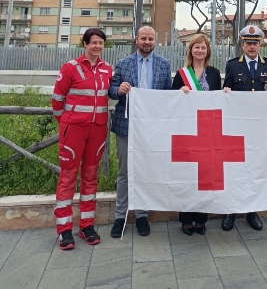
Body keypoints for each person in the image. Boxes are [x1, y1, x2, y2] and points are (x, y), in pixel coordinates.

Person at [51, 28, 113, 250]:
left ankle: (87, 225)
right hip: (74, 131)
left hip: (97, 131)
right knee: (68, 178)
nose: (97, 46)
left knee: (90, 177)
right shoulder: (71, 67)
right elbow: (57, 100)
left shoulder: (107, 70)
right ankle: (64, 229)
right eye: (94, 42)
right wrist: (68, 122)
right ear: (85, 44)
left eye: (101, 43)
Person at [108, 26, 171, 238]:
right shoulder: (124, 63)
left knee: (145, 171)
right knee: (125, 172)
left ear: (155, 41)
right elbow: (112, 91)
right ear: (136, 40)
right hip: (126, 126)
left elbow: (168, 96)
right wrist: (119, 90)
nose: (147, 42)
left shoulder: (164, 64)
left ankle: (142, 215)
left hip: (151, 129)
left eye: (150, 39)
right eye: (143, 38)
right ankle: (120, 216)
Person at [221, 24, 267, 232]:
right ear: (242, 45)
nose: (252, 47)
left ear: (260, 44)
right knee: (234, 169)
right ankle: (230, 210)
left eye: (255, 43)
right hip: (237, 126)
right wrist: (225, 92)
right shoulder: (233, 65)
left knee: (254, 167)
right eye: (248, 43)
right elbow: (226, 91)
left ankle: (252, 211)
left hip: (259, 128)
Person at [172, 33, 222, 236]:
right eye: (196, 47)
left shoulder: (214, 73)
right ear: (190, 50)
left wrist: (226, 93)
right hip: (187, 130)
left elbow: (219, 102)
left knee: (205, 176)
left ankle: (201, 219)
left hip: (208, 130)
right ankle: (185, 219)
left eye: (203, 47)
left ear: (207, 51)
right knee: (187, 175)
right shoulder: (181, 74)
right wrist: (179, 92)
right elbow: (171, 103)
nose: (200, 51)